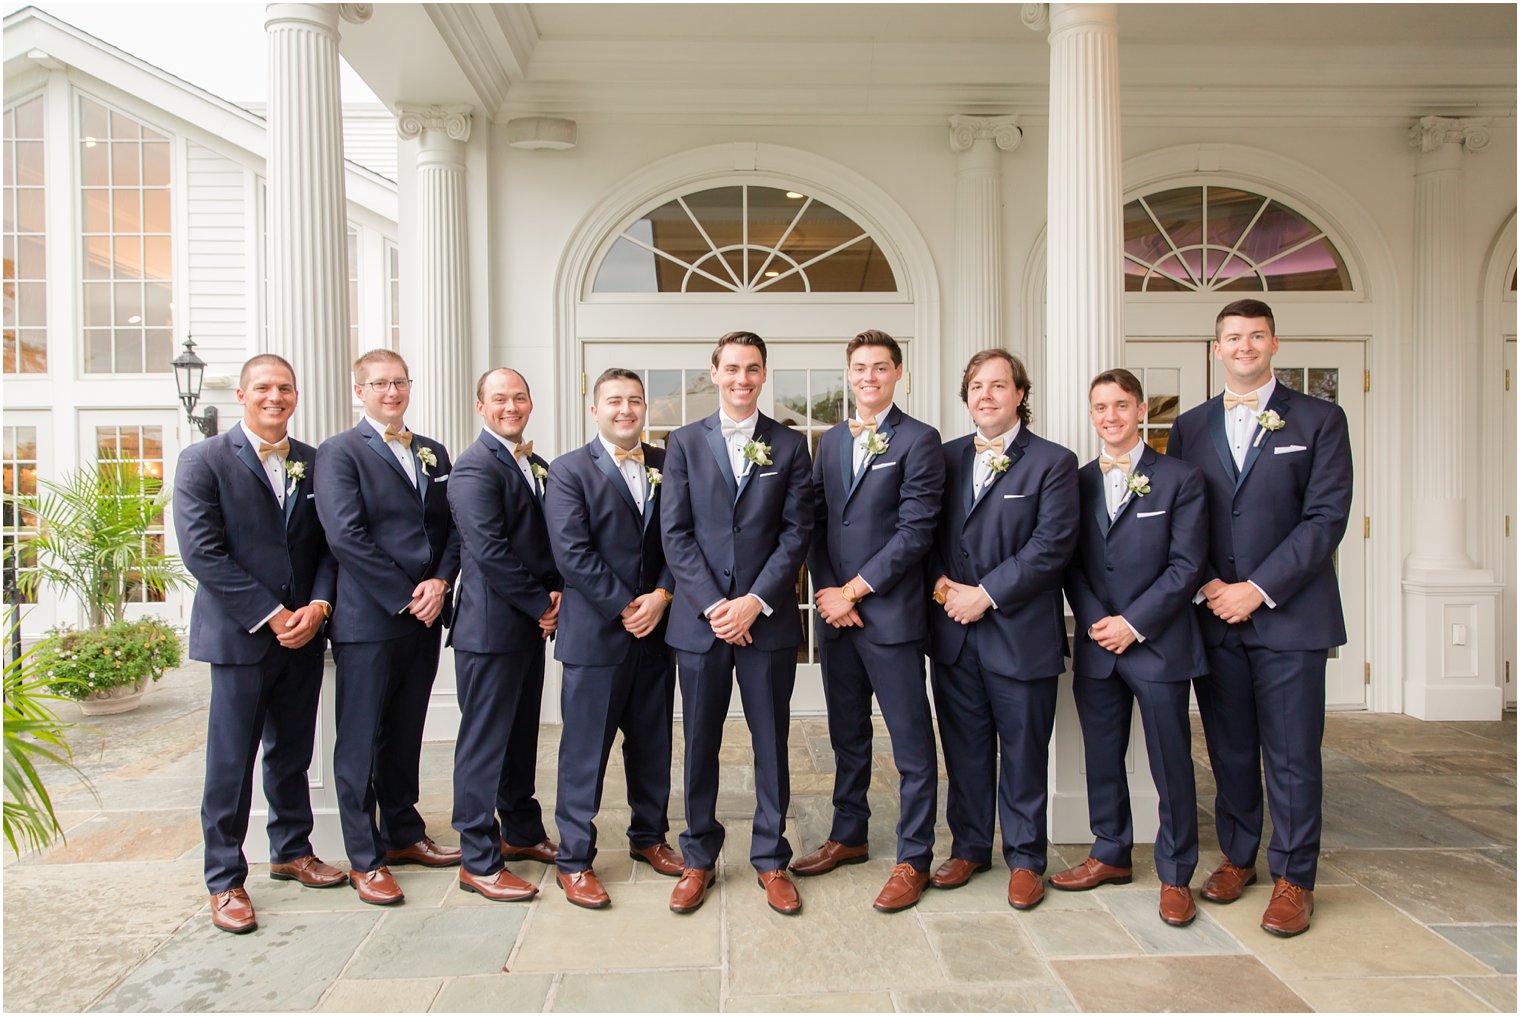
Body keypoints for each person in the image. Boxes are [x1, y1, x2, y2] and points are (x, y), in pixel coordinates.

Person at [1166, 299, 1353, 937]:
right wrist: (1214, 585)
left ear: (1274, 343)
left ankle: (1294, 877)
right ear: (1216, 349)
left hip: (1291, 616)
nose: (1244, 347)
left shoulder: (1321, 419)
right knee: (1231, 750)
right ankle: (1238, 857)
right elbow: (1181, 517)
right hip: (1215, 614)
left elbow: (1325, 519)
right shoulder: (1189, 427)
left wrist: (1258, 588)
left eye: (1256, 336)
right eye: (1233, 338)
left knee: (1294, 753)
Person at [174, 354, 343, 934]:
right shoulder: (204, 460)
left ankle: (292, 850)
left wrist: (318, 606)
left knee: (292, 751)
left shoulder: (313, 462)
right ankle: (224, 878)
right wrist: (272, 615)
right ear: (244, 395)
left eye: (286, 388)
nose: (276, 397)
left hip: (303, 631)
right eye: (265, 388)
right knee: (231, 761)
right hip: (241, 636)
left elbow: (327, 546)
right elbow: (203, 552)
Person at [660, 330, 814, 916]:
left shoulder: (791, 445)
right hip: (702, 625)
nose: (742, 378)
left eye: (752, 368)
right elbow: (675, 534)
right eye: (732, 368)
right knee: (699, 742)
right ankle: (698, 856)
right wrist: (714, 606)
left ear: (764, 374)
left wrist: (753, 602)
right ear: (714, 372)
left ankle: (771, 858)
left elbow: (797, 533)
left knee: (771, 741)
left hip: (766, 623)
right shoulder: (683, 443)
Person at [791, 329, 945, 913]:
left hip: (891, 617)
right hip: (837, 619)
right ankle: (849, 834)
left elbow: (915, 532)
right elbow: (815, 521)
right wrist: (830, 591)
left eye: (881, 367)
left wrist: (854, 590)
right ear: (849, 374)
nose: (869, 377)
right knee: (846, 734)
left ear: (898, 373)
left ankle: (914, 857)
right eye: (860, 368)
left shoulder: (921, 441)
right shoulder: (829, 442)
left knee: (911, 744)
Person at [1054, 368, 1209, 927]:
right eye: (1100, 407)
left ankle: (1175, 873)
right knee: (1102, 756)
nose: (1111, 416)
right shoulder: (1074, 480)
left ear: (1141, 410)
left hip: (1158, 644)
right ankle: (1110, 851)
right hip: (1098, 643)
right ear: (1091, 414)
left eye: (1121, 405)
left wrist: (1133, 624)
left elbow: (1187, 565)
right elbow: (1067, 560)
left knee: (1171, 762)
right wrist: (1099, 622)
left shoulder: (1180, 478)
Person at [927, 349, 1078, 910]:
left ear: (1020, 394)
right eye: (975, 387)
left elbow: (1052, 546)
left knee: (1022, 752)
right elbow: (922, 536)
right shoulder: (942, 459)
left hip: (1020, 634)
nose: (985, 395)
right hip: (953, 634)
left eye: (997, 385)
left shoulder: (1054, 463)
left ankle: (1025, 858)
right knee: (964, 749)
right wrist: (947, 592)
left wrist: (985, 596)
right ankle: (968, 847)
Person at [315, 349, 461, 905]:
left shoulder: (432, 452)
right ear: (360, 390)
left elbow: (452, 528)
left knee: (404, 732)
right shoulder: (339, 453)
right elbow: (346, 536)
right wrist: (406, 597)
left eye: (399, 382)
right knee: (359, 741)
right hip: (369, 620)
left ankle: (403, 833)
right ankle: (364, 857)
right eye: (379, 383)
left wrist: (440, 583)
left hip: (424, 616)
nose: (392, 392)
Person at [544, 368, 684, 909]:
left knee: (653, 745)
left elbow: (681, 540)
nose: (626, 409)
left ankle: (650, 837)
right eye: (614, 401)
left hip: (656, 632)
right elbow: (572, 553)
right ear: (594, 409)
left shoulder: (668, 464)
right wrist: (627, 605)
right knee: (585, 752)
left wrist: (663, 596)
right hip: (597, 636)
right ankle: (574, 858)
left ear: (645, 408)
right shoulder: (568, 470)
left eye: (635, 400)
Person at [444, 367, 563, 902]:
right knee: (483, 743)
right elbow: (490, 551)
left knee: (520, 737)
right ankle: (478, 858)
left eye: (519, 397)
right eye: (499, 399)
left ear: (530, 404)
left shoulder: (534, 465)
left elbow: (547, 541)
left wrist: (557, 591)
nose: (510, 406)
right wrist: (542, 604)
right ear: (481, 407)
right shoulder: (472, 468)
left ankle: (521, 832)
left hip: (527, 628)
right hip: (490, 629)